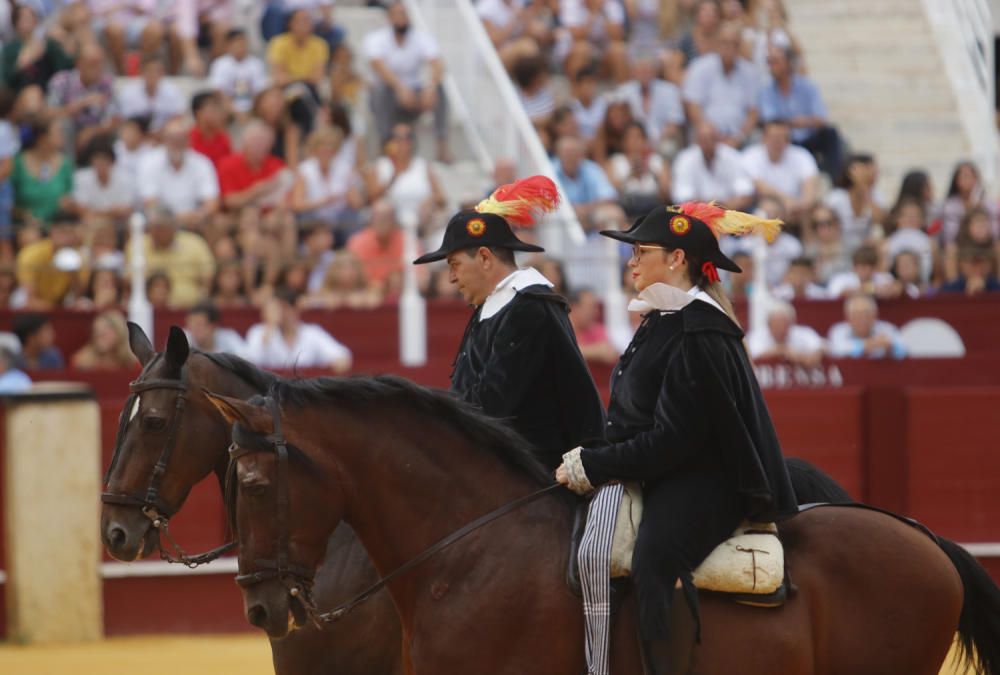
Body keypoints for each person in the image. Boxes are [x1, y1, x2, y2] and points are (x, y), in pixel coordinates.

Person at [554, 202, 797, 675]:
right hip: (669, 468)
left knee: (654, 558)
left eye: (641, 250)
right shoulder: (663, 318)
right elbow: (637, 423)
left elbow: (672, 441)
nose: (631, 260)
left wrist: (598, 465)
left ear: (676, 259)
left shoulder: (697, 329)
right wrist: (595, 455)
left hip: (708, 480)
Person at [412, 175, 606, 470]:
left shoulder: (529, 308)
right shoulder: (498, 305)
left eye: (455, 265)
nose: (451, 278)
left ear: (486, 258)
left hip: (542, 472)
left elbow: (493, 404)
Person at [364, 1, 449, 160]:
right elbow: (378, 66)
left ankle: (442, 145)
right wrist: (400, 88)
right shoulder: (377, 38)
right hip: (392, 93)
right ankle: (385, 142)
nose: (402, 18)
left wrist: (430, 88)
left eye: (405, 14)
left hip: (415, 93)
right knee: (380, 90)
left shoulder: (420, 37)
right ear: (389, 17)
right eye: (398, 14)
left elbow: (437, 64)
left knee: (440, 91)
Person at [758, 45, 842, 177]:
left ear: (788, 63)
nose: (771, 66)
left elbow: (821, 118)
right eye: (769, 62)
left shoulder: (807, 87)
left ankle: (836, 179)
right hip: (786, 141)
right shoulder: (767, 91)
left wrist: (796, 122)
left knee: (831, 134)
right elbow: (771, 122)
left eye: (775, 61)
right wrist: (802, 121)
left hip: (809, 138)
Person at [682, 22, 759, 147]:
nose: (729, 48)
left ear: (739, 47)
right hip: (706, 135)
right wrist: (711, 134)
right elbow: (692, 106)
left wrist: (737, 138)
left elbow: (753, 112)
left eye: (733, 44)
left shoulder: (749, 72)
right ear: (717, 44)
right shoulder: (700, 67)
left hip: (740, 138)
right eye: (724, 43)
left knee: (757, 139)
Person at [138, 117, 220, 233]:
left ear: (188, 140)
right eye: (172, 139)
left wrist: (199, 215)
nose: (176, 143)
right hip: (161, 224)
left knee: (218, 226)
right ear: (164, 140)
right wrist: (177, 218)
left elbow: (212, 202)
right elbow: (150, 203)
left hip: (196, 223)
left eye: (180, 138)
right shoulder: (149, 162)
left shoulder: (202, 163)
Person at [243, 287, 353, 372]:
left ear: (295, 309)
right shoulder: (258, 332)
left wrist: (338, 362)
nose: (280, 313)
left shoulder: (312, 333)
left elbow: (342, 357)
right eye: (276, 308)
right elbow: (250, 363)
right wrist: (270, 326)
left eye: (284, 307)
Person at [127, 205, 216, 307]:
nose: (154, 233)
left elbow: (208, 276)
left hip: (189, 308)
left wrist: (201, 301)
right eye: (152, 228)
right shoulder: (137, 245)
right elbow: (129, 280)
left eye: (160, 229)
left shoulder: (194, 243)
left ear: (172, 228)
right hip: (148, 308)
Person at [741, 118, 818, 223]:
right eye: (775, 137)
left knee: (817, 212)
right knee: (768, 208)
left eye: (784, 137)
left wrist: (800, 205)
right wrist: (786, 200)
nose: (779, 141)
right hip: (764, 206)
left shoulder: (802, 155)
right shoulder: (751, 155)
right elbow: (761, 187)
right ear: (764, 138)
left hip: (797, 207)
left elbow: (810, 189)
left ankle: (809, 239)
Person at [46, 42, 118, 152]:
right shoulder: (62, 81)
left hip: (95, 136)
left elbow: (116, 119)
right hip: (68, 134)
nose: (98, 68)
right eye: (92, 64)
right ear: (78, 63)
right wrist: (80, 104)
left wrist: (92, 132)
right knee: (63, 125)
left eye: (100, 63)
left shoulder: (107, 85)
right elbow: (47, 114)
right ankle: (68, 166)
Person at [671, 120, 753, 209]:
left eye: (712, 138)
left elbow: (745, 191)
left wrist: (724, 207)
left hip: (729, 212)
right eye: (704, 139)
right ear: (696, 140)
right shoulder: (685, 159)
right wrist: (710, 207)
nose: (708, 143)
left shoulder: (732, 156)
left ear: (718, 138)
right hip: (697, 215)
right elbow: (681, 195)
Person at [12, 116, 75, 225]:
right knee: (29, 237)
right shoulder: (17, 163)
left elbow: (70, 196)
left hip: (58, 225)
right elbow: (6, 202)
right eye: (58, 132)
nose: (62, 136)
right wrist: (25, 216)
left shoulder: (65, 163)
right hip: (25, 226)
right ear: (42, 138)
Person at [15, 211, 83, 308]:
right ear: (52, 230)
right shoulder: (31, 254)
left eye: (71, 232)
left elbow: (77, 296)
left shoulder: (79, 256)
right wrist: (58, 310)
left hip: (60, 302)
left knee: (84, 304)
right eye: (62, 231)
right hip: (34, 300)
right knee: (20, 300)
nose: (66, 237)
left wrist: (74, 274)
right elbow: (30, 299)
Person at [824, 153, 885, 253]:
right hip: (838, 247)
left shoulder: (876, 196)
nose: (874, 174)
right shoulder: (836, 198)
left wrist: (863, 188)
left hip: (864, 250)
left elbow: (881, 221)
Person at [209, 28, 270, 117]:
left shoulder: (256, 63)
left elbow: (260, 91)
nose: (240, 46)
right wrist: (234, 111)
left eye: (242, 43)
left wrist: (252, 110)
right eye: (236, 43)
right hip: (228, 110)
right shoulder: (220, 64)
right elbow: (218, 92)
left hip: (253, 109)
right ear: (228, 45)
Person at [746, 299, 825, 366]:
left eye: (782, 323)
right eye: (775, 323)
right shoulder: (757, 336)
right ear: (768, 324)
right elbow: (753, 356)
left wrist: (803, 357)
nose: (779, 327)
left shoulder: (805, 333)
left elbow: (821, 348)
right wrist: (783, 350)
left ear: (791, 323)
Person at [117, 56, 185, 131]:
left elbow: (178, 116)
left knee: (175, 129)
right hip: (139, 133)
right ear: (141, 72)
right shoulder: (129, 92)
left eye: (157, 71)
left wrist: (161, 131)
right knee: (129, 131)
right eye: (149, 71)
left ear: (163, 73)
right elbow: (126, 120)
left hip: (164, 132)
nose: (153, 74)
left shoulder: (172, 90)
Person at [827, 295, 907, 359]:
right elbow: (837, 351)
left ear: (875, 316)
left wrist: (891, 348)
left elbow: (903, 350)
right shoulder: (838, 331)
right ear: (848, 318)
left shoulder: (887, 329)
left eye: (866, 314)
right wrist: (867, 345)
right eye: (857, 315)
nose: (863, 319)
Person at [71, 309, 137, 369]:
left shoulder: (133, 364)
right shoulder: (81, 362)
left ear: (120, 333)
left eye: (105, 333)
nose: (100, 337)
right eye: (97, 332)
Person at [188, 90, 232, 170]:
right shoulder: (188, 139)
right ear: (199, 113)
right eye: (213, 109)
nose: (219, 114)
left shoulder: (224, 138)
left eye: (219, 109)